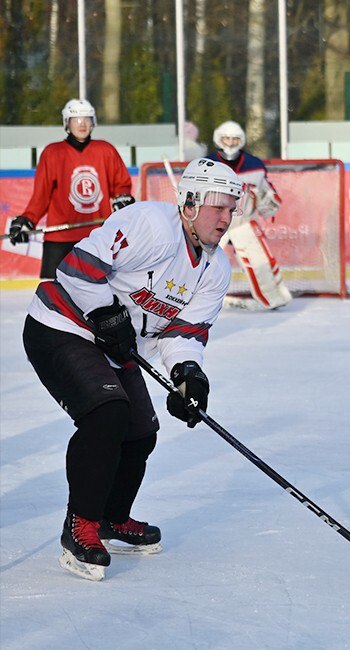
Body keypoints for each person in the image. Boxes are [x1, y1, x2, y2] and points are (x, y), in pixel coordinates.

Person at [21, 157, 244, 581]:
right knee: (107, 414)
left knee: (141, 431)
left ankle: (111, 517)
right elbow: (77, 266)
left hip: (113, 346)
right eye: (218, 206)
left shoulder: (215, 270)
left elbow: (183, 332)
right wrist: (105, 312)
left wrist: (188, 374)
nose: (226, 217)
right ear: (191, 203)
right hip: (61, 324)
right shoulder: (150, 223)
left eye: (232, 208)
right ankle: (80, 526)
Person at [8, 99, 135, 279]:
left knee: (102, 297)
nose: (82, 124)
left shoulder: (105, 150)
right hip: (59, 240)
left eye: (86, 119)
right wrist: (28, 219)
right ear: (67, 123)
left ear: (93, 122)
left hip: (97, 236)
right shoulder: (53, 153)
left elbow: (121, 184)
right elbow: (41, 196)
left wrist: (123, 197)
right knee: (52, 296)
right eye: (76, 119)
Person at [206, 120, 291, 309]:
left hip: (242, 222)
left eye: (234, 139)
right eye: (226, 138)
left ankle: (273, 298)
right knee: (201, 262)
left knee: (260, 261)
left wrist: (269, 202)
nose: (229, 143)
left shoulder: (254, 165)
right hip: (211, 224)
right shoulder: (207, 164)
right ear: (218, 139)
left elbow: (265, 192)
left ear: (241, 140)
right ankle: (193, 298)